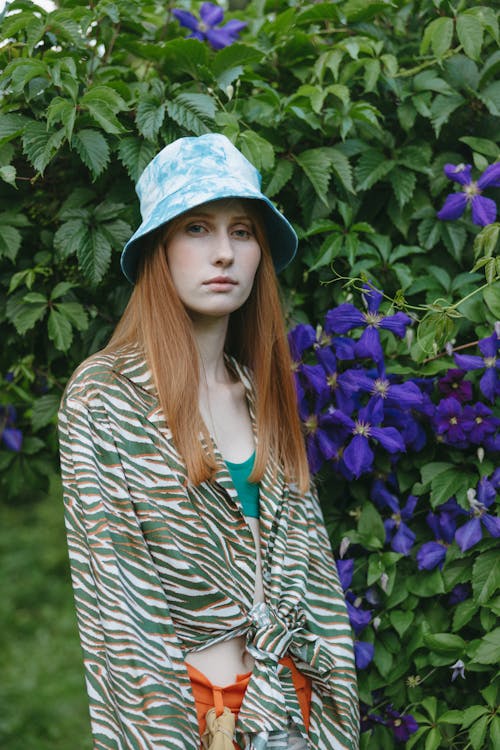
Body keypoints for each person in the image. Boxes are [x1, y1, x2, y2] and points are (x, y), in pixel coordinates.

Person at [58, 133, 359, 750]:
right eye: (196, 228)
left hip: (297, 716)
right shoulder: (105, 398)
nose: (223, 252)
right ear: (158, 251)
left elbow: (318, 592)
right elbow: (122, 615)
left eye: (242, 232)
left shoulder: (263, 395)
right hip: (195, 720)